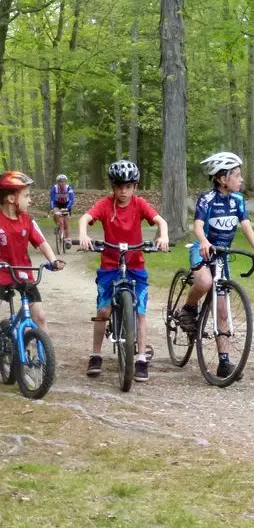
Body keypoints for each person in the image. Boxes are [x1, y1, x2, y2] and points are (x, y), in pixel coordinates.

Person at [78, 161, 170, 381]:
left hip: (135, 264)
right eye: (119, 186)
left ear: (135, 187)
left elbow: (160, 220)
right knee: (103, 311)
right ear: (113, 187)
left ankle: (140, 358)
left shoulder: (139, 204)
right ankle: (96, 354)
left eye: (128, 187)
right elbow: (85, 218)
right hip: (110, 264)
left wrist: (163, 235)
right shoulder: (105, 205)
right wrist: (83, 234)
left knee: (140, 311)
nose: (123, 191)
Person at [176, 151, 254, 379]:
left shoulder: (238, 200)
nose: (241, 179)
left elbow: (245, 225)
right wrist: (204, 241)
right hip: (203, 250)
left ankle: (224, 362)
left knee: (222, 311)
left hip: (222, 255)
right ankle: (188, 308)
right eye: (236, 175)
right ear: (222, 178)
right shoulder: (206, 199)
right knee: (204, 281)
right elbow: (197, 227)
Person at [0, 171, 64, 331]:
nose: (30, 200)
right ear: (11, 199)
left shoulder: (27, 221)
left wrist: (53, 260)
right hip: (1, 273)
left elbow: (42, 243)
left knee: (39, 316)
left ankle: (46, 356)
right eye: (26, 196)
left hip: (22, 272)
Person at [49, 174, 75, 238]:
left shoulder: (69, 188)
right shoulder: (54, 189)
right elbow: (52, 200)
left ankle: (68, 238)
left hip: (66, 204)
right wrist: (52, 208)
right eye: (60, 181)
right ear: (57, 182)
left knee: (67, 221)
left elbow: (72, 200)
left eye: (64, 181)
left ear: (66, 182)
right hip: (57, 203)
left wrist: (67, 208)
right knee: (56, 213)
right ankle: (58, 225)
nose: (62, 183)